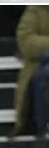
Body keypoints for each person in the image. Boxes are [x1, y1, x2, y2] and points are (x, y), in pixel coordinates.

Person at [15, 8, 49, 136]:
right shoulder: (36, 9)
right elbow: (26, 43)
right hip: (41, 66)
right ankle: (44, 127)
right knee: (45, 74)